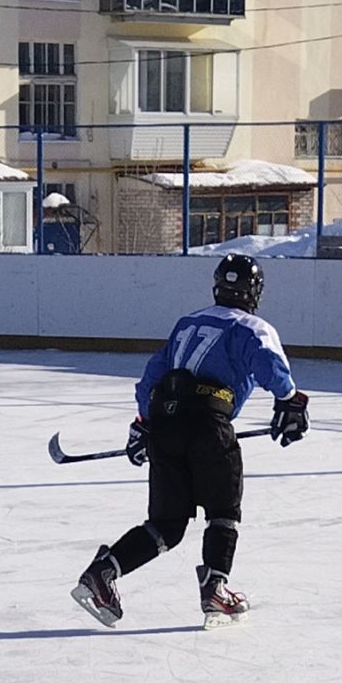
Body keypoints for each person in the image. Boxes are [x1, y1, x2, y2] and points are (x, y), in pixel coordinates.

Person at [73, 252, 308, 628]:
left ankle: (104, 572)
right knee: (223, 509)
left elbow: (152, 375)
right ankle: (215, 587)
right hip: (209, 425)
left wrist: (144, 424)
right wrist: (290, 400)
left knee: (167, 524)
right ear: (255, 291)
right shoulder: (251, 326)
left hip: (165, 425)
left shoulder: (187, 323)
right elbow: (269, 366)